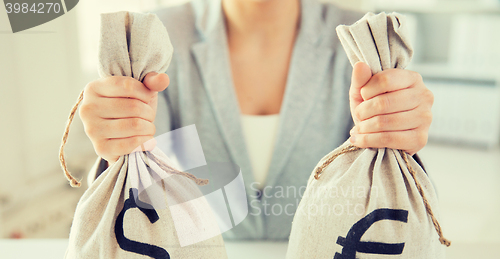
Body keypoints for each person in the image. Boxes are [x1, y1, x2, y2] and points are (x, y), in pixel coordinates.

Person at [80, 0, 434, 240]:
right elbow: (141, 196)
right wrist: (118, 139)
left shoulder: (363, 40)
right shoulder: (155, 38)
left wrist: (398, 134)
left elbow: (384, 196)